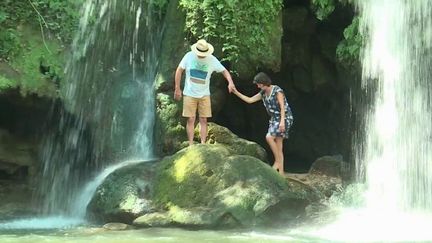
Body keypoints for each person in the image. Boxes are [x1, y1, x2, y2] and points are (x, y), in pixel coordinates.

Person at [174, 39, 235, 145]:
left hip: (204, 94)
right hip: (189, 93)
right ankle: (191, 144)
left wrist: (230, 82)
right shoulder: (189, 56)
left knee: (203, 119)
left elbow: (224, 71)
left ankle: (203, 143)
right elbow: (179, 70)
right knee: (191, 119)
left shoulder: (212, 59)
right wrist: (177, 88)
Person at [232, 72, 293, 176]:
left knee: (269, 137)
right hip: (274, 119)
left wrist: (282, 122)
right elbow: (250, 100)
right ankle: (281, 173)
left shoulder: (277, 91)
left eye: (259, 84)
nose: (258, 86)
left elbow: (283, 107)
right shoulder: (263, 93)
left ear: (264, 83)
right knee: (279, 146)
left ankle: (277, 162)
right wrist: (235, 92)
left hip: (285, 118)